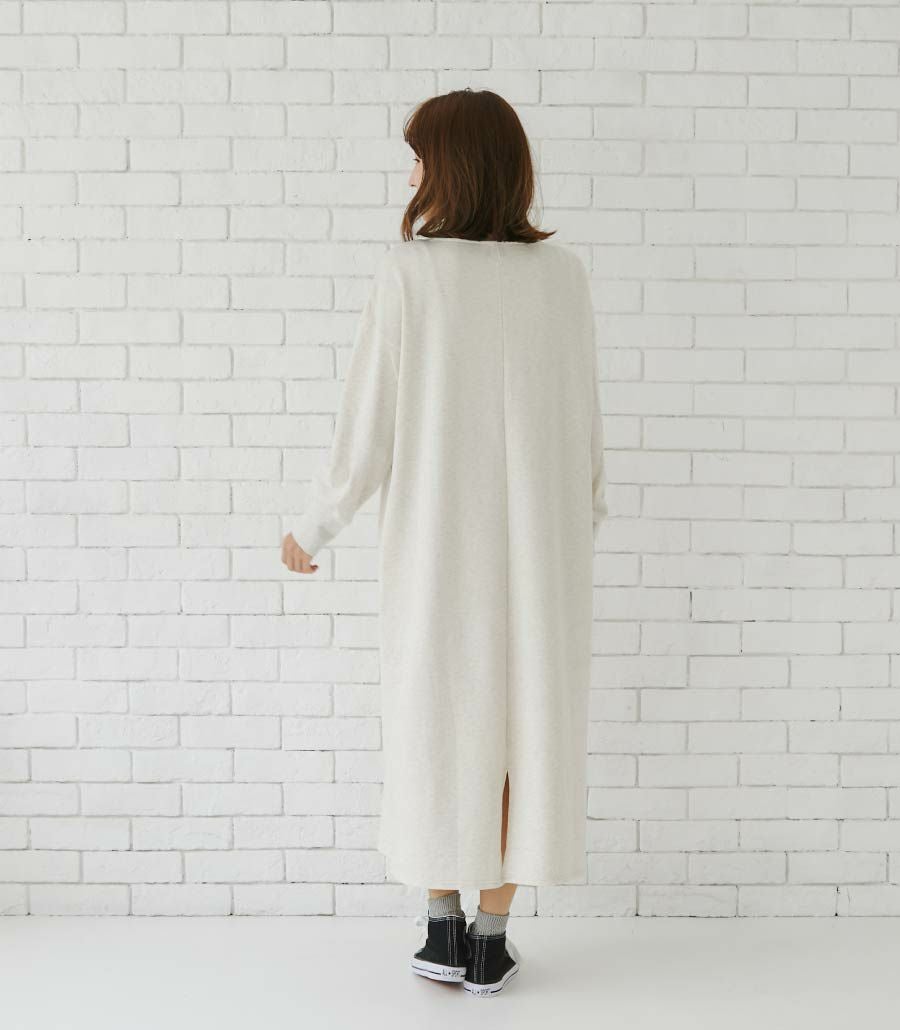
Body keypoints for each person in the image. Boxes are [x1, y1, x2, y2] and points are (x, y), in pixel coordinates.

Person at [282, 88, 608, 997]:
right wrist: (580, 519)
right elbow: (584, 423)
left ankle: (441, 925)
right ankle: (491, 937)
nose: (412, 176)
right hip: (541, 552)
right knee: (524, 728)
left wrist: (315, 524)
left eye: (420, 158)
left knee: (436, 719)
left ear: (451, 168)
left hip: (437, 546)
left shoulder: (409, 275)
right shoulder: (564, 277)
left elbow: (368, 427)